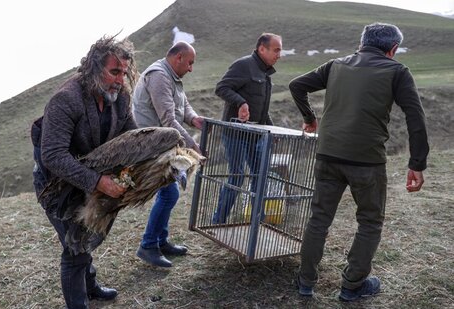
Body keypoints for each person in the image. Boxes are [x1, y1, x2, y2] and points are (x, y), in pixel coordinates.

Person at [289, 22, 429, 301]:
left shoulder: (336, 65)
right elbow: (416, 117)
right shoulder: (396, 71)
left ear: (362, 42)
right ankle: (352, 285)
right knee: (369, 221)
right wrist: (417, 163)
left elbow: (297, 85)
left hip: (327, 154)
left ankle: (306, 282)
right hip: (366, 161)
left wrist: (309, 118)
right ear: (393, 49)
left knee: (319, 218)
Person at [31, 35, 138, 309]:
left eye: (123, 73)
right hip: (55, 183)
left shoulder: (120, 98)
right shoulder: (66, 99)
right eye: (114, 71)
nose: (119, 79)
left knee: (86, 234)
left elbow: (132, 136)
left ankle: (90, 286)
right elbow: (53, 156)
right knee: (74, 247)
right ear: (93, 68)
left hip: (89, 176)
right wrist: (98, 182)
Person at [132, 41, 205, 267]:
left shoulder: (172, 77)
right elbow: (168, 119)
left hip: (161, 142)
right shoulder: (159, 76)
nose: (191, 68)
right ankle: (148, 245)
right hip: (149, 143)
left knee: (168, 193)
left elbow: (182, 105)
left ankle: (160, 241)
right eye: (190, 63)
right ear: (178, 58)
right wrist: (192, 145)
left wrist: (193, 119)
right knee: (169, 194)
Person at [212, 33, 283, 224]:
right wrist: (241, 102)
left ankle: (256, 220)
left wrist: (271, 130)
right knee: (237, 176)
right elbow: (221, 88)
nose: (279, 55)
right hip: (235, 133)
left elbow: (262, 110)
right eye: (276, 50)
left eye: (280, 50)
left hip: (255, 135)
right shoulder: (243, 65)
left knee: (259, 175)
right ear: (262, 49)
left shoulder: (266, 74)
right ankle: (219, 220)